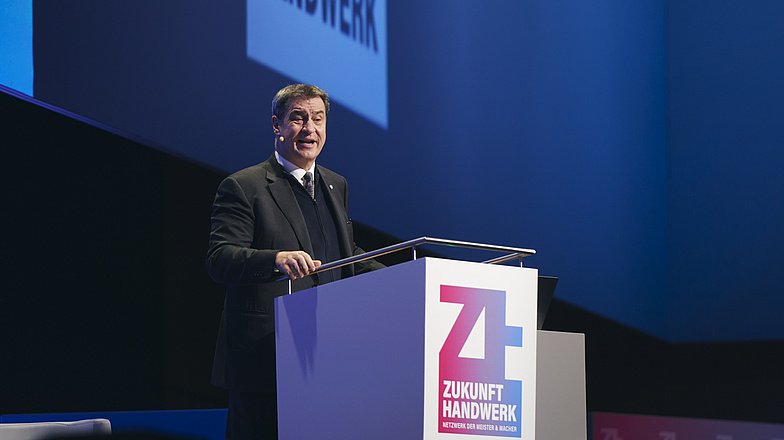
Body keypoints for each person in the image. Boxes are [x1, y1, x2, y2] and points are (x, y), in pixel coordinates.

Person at [206, 83, 384, 440]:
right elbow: (220, 258)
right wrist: (276, 259)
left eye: (318, 119)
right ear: (277, 125)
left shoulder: (336, 184)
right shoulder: (244, 186)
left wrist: (412, 272)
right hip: (265, 358)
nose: (310, 129)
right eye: (298, 118)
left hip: (329, 353)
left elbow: (344, 254)